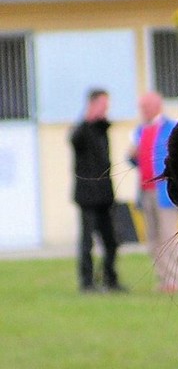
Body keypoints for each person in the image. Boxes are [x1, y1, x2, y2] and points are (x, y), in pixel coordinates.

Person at [70, 88, 125, 292]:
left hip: (104, 195)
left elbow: (107, 125)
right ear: (92, 105)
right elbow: (74, 139)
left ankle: (110, 279)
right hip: (87, 197)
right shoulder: (81, 130)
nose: (106, 109)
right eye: (103, 105)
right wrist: (88, 117)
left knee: (111, 241)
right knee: (87, 242)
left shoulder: (102, 129)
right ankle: (87, 282)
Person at [130, 91, 178, 293]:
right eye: (141, 107)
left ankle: (174, 279)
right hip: (146, 191)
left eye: (145, 107)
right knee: (152, 237)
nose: (142, 111)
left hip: (164, 192)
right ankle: (162, 278)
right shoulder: (140, 131)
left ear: (156, 106)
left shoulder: (170, 128)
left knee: (168, 235)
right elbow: (136, 160)